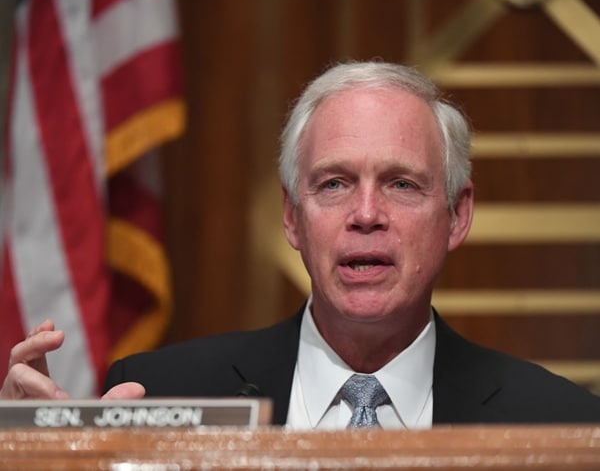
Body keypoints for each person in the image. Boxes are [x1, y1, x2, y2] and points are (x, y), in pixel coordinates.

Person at [2, 61, 599, 428]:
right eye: (334, 183)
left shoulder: (564, 424)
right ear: (292, 216)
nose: (367, 214)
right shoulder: (156, 395)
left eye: (402, 184)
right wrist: (35, 457)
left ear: (457, 215)